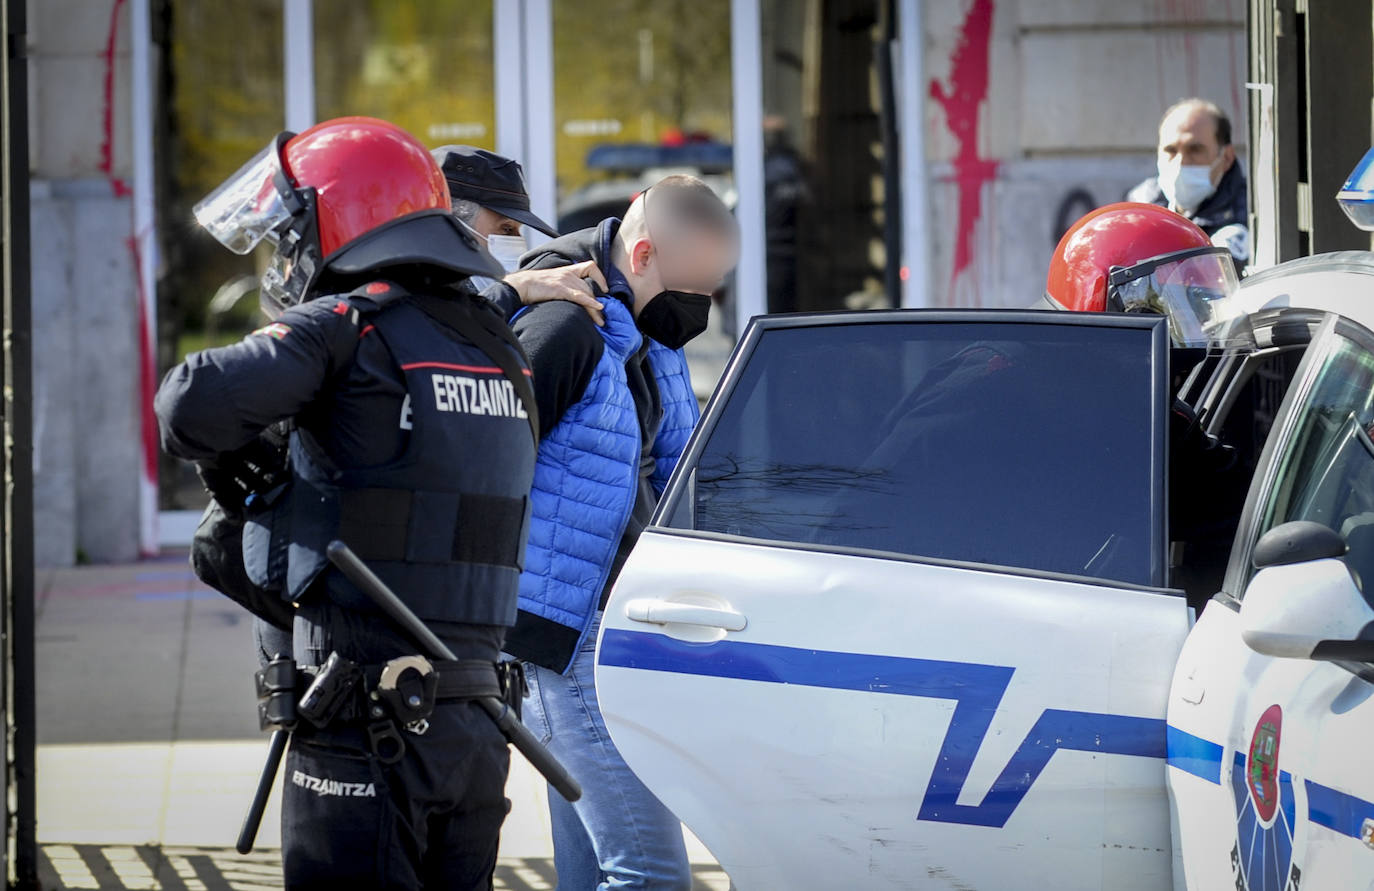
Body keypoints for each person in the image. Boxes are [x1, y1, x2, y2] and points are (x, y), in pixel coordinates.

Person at [156, 116, 539, 889]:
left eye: (290, 231)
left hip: (367, 733)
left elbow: (187, 404)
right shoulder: (500, 349)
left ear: (340, 217)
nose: (283, 253)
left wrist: (249, 465)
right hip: (476, 732)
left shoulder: (347, 327)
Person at [504, 174, 739, 890]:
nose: (702, 307)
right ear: (642, 255)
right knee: (650, 870)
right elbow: (489, 464)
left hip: (610, 635)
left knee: (596, 868)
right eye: (695, 286)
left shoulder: (645, 333)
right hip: (560, 641)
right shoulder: (565, 327)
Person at [1044, 201, 1253, 609]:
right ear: (1106, 313)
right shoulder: (991, 407)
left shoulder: (1153, 420)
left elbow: (1232, 489)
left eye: (1195, 309)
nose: (1188, 336)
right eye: (1158, 311)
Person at [1127, 98, 1249, 265]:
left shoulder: (1251, 211)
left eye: (1195, 150)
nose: (1180, 163)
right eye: (1170, 150)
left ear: (1226, 157)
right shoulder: (1140, 206)